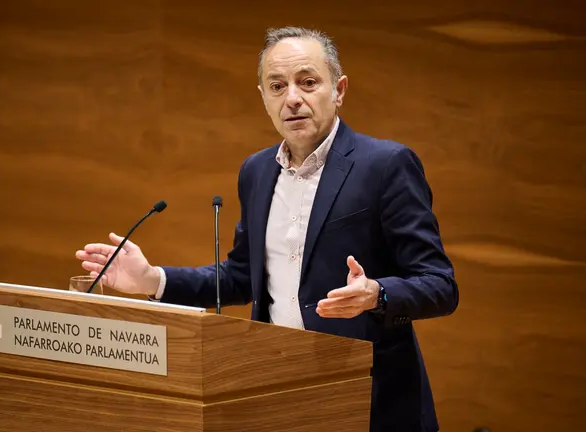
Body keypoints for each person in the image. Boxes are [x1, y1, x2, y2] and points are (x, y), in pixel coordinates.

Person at [75, 26, 459, 432]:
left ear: (339, 89)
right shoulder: (257, 172)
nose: (292, 98)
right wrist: (153, 279)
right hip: (277, 394)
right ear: (263, 98)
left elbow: (439, 285)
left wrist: (377, 294)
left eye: (308, 82)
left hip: (371, 400)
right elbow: (243, 277)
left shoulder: (386, 165)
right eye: (277, 86)